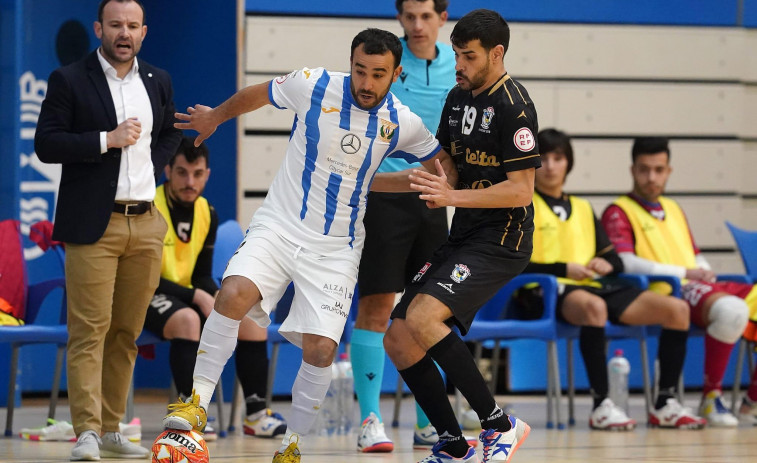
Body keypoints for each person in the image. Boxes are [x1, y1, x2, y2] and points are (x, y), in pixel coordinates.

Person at [161, 28, 457, 463]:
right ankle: (197, 402)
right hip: (280, 225)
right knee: (233, 293)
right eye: (360, 70)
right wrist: (216, 117)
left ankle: (291, 445)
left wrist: (434, 186)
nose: (366, 83)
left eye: (378, 74)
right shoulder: (313, 84)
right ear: (350, 63)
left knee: (321, 349)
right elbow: (257, 94)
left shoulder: (402, 122)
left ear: (395, 74)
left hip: (336, 248)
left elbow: (440, 164)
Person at [383, 9, 538, 463]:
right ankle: (453, 444)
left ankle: (499, 424)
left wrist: (452, 196)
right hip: (465, 235)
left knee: (425, 318)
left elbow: (521, 190)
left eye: (468, 57)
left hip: (503, 239)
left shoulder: (515, 105)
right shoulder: (457, 96)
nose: (459, 65)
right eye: (456, 55)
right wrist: (368, 177)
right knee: (399, 335)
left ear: (497, 53)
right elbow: (445, 160)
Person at [34, 0, 182, 460]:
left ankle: (114, 428)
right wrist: (107, 140)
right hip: (95, 224)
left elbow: (171, 132)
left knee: (127, 332)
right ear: (99, 28)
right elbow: (46, 143)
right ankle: (87, 432)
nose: (124, 33)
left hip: (146, 222)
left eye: (132, 26)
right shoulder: (70, 79)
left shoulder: (157, 81)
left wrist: (152, 163)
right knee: (89, 331)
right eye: (115, 24)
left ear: (144, 31)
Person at [522, 129, 705, 430]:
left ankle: (665, 403)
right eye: (543, 158)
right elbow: (510, 264)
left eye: (558, 158)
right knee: (595, 307)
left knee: (677, 310)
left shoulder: (582, 208)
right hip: (542, 292)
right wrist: (561, 270)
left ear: (569, 164)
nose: (551, 166)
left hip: (592, 287)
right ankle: (601, 405)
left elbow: (615, 259)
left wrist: (604, 263)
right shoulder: (521, 206)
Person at [353, 0, 457, 453]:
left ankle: (429, 421)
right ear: (399, 18)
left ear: (442, 19)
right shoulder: (386, 62)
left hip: (434, 199)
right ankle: (370, 420)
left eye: (426, 17)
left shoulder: (458, 62)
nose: (417, 26)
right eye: (409, 16)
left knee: (426, 310)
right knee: (377, 306)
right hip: (383, 198)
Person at [601, 136, 757, 427]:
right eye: (644, 169)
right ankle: (711, 398)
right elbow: (626, 262)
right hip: (666, 293)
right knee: (732, 311)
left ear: (669, 171)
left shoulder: (674, 208)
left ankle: (752, 401)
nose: (651, 177)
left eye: (659, 170)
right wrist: (685, 273)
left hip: (697, 287)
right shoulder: (618, 210)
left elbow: (694, 257)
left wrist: (705, 270)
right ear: (632, 170)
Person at [144, 137, 287, 441]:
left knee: (247, 320)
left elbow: (201, 275)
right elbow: (144, 276)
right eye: (182, 172)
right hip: (146, 294)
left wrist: (217, 297)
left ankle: (256, 412)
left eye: (197, 174)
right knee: (189, 320)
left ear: (207, 174)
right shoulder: (150, 206)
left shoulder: (207, 212)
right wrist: (197, 296)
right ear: (168, 171)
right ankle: (189, 410)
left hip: (183, 295)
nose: (189, 181)